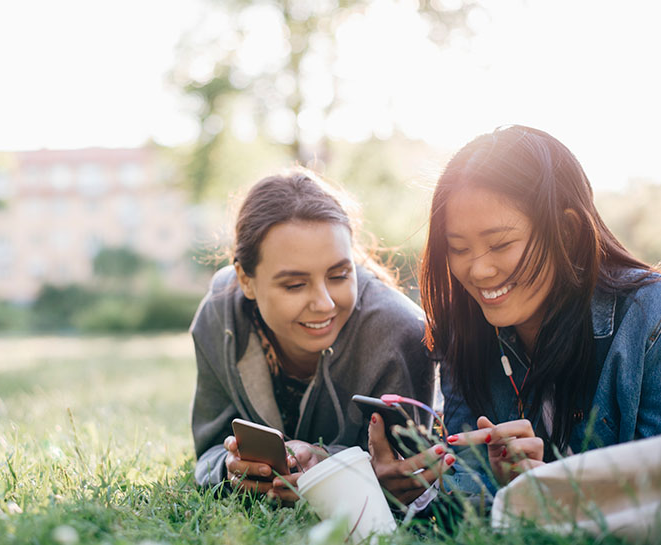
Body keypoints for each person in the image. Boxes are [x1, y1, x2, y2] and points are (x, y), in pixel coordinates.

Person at [417, 125, 661, 500]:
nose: (478, 271)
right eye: (459, 249)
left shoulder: (649, 322)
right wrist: (414, 484)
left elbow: (651, 501)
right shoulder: (463, 329)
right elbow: (464, 483)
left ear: (566, 231)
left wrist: (556, 492)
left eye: (500, 244)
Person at [190, 168, 447, 504]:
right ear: (245, 279)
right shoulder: (219, 317)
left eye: (340, 274)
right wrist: (230, 467)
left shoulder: (400, 333)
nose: (324, 304)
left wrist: (337, 467)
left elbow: (415, 471)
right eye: (295, 284)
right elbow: (209, 450)